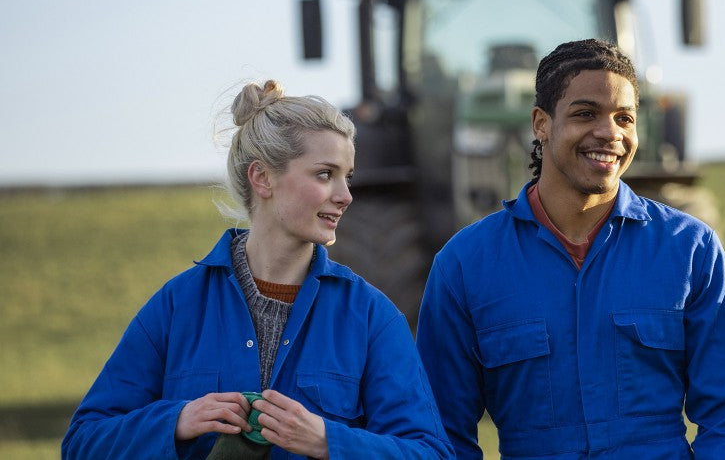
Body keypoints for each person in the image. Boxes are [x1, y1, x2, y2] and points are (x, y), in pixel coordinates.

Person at [62, 81, 452, 459]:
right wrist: (177, 422)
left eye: (346, 177)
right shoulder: (176, 306)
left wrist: (327, 442)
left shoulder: (371, 317)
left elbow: (430, 452)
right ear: (262, 178)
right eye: (324, 174)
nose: (346, 195)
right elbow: (82, 444)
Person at [416, 39, 725, 459]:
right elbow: (441, 433)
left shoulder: (689, 249)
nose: (610, 133)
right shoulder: (465, 265)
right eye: (586, 114)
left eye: (625, 118)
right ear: (541, 124)